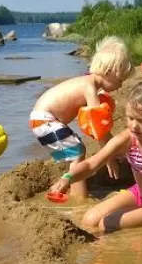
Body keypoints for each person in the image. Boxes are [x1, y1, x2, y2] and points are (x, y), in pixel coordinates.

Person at [53, 81, 142, 234]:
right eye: (130, 118)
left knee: (107, 224)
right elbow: (92, 164)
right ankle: (138, 214)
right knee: (89, 220)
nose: (133, 126)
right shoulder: (128, 139)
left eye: (141, 121)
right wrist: (67, 177)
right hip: (139, 194)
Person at [30, 36, 132, 199]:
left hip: (43, 119)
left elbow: (98, 127)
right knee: (78, 151)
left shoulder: (88, 82)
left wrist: (113, 148)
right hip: (44, 119)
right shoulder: (89, 88)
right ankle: (79, 197)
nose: (121, 85)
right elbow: (98, 129)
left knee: (75, 151)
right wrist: (109, 157)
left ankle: (69, 187)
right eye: (120, 80)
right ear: (108, 72)